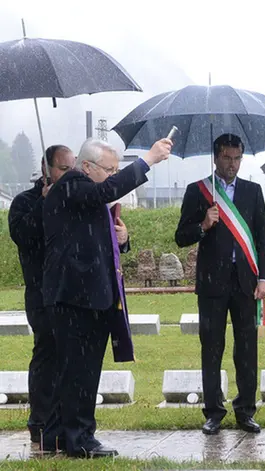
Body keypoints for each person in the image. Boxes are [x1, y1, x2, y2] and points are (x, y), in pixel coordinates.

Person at [41, 137, 171, 458]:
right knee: (79, 372)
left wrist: (121, 238)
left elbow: (94, 235)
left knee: (75, 370)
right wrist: (148, 160)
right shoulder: (72, 186)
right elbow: (105, 192)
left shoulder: (85, 195)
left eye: (116, 170)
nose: (113, 176)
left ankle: (56, 435)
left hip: (89, 295)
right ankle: (80, 439)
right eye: (109, 169)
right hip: (74, 297)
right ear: (87, 166)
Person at [175, 133, 265, 436]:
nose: (232, 164)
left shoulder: (253, 192)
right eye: (227, 158)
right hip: (211, 284)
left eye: (237, 158)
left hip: (245, 283)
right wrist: (203, 224)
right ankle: (213, 411)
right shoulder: (198, 191)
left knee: (246, 349)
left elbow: (262, 238)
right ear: (216, 158)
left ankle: (245, 411)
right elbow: (181, 236)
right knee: (212, 348)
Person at [8, 145, 75, 446]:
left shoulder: (75, 198)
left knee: (71, 358)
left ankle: (68, 418)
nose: (67, 174)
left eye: (71, 168)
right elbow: (22, 235)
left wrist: (122, 239)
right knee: (46, 355)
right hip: (41, 293)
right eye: (62, 168)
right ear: (46, 168)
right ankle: (40, 421)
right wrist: (43, 206)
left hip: (72, 292)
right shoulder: (25, 202)